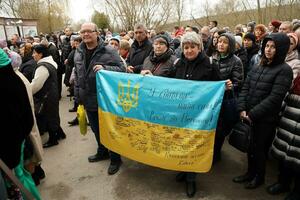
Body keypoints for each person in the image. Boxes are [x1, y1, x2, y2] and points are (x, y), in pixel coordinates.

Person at [169, 32, 231, 198]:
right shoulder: (177, 63)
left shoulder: (210, 64)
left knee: (193, 146)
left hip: (200, 117)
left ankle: (191, 178)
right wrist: (150, 77)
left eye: (192, 47)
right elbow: (168, 85)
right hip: (180, 114)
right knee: (181, 143)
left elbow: (218, 89)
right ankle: (183, 168)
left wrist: (226, 87)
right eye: (186, 47)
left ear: (199, 47)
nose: (189, 50)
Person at [234, 33, 293, 189]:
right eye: (267, 46)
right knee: (250, 146)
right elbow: (246, 87)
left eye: (273, 47)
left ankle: (258, 177)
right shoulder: (258, 65)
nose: (269, 49)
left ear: (281, 49)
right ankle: (249, 173)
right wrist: (241, 108)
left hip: (265, 119)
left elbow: (275, 98)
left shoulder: (284, 70)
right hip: (248, 115)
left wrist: (252, 114)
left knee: (259, 149)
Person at [74, 22, 125, 175]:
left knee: (109, 129)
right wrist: (78, 96)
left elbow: (122, 70)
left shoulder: (109, 50)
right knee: (96, 129)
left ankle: (116, 158)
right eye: (83, 32)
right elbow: (77, 75)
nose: (86, 34)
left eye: (89, 31)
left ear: (97, 33)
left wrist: (105, 68)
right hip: (87, 98)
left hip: (105, 101)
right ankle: (102, 151)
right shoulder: (79, 51)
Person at [212, 33, 244, 162]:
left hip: (226, 100)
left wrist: (232, 85)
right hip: (212, 99)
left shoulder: (236, 61)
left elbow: (239, 82)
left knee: (220, 129)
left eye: (225, 42)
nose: (221, 44)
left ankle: (216, 155)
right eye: (219, 41)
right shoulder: (212, 58)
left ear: (230, 45)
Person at [267, 73, 300, 200]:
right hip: (289, 123)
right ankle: (283, 183)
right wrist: (278, 113)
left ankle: (297, 191)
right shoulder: (297, 79)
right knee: (285, 157)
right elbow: (286, 97)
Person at [31, 44, 66, 148]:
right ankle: (60, 134)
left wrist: (28, 91)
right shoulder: (50, 63)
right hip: (51, 93)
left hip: (46, 95)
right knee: (53, 114)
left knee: (48, 116)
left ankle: (53, 139)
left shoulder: (42, 67)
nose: (33, 55)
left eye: (34, 53)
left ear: (40, 54)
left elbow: (36, 85)